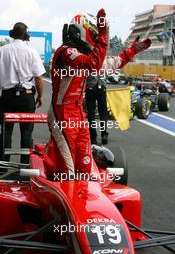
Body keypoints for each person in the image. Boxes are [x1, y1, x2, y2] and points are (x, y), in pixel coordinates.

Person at [47, 9, 151, 176]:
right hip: (62, 114)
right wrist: (103, 34)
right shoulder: (65, 52)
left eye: (97, 36)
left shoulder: (82, 56)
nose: (95, 40)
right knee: (67, 170)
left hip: (79, 113)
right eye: (94, 36)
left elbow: (110, 64)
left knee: (85, 164)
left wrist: (132, 51)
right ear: (83, 31)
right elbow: (93, 64)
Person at [0, 22, 45, 163]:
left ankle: (3, 165)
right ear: (26, 35)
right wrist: (41, 96)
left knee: (5, 132)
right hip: (27, 96)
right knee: (26, 132)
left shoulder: (2, 50)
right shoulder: (31, 51)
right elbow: (38, 77)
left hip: (6, 96)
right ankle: (25, 166)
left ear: (12, 34)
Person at [85, 75, 108, 145]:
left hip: (90, 87)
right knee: (103, 112)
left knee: (91, 113)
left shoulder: (88, 63)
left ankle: (93, 137)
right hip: (102, 87)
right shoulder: (103, 63)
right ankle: (104, 134)